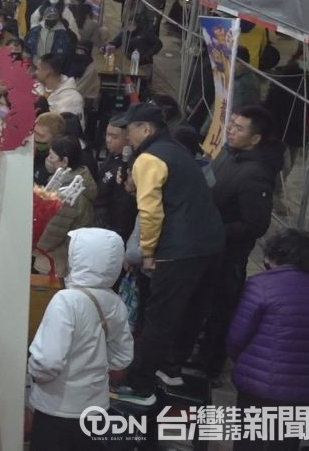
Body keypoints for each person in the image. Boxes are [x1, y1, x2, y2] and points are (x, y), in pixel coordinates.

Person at [110, 103, 224, 406]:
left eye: (129, 130)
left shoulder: (149, 158)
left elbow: (150, 212)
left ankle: (139, 385)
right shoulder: (176, 150)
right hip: (209, 245)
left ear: (146, 129)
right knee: (190, 313)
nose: (127, 136)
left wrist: (147, 251)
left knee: (159, 318)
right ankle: (170, 369)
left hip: (178, 248)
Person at [27, 227, 133, 451]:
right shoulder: (116, 303)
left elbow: (47, 362)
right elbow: (123, 358)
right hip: (96, 408)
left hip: (57, 409)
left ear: (80, 259)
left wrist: (34, 374)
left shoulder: (66, 301)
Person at [198, 105, 282, 383]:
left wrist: (215, 230)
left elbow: (255, 225)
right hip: (208, 245)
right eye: (231, 124)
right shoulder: (227, 154)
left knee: (221, 309)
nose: (230, 131)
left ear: (255, 138)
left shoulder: (256, 173)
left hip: (228, 255)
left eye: (238, 128)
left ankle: (211, 365)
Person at [227, 228, 309, 451]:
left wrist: (245, 363)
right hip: (303, 389)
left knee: (249, 441)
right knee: (286, 443)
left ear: (275, 255)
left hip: (257, 384)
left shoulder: (260, 285)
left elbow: (237, 337)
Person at [34, 136, 98, 278]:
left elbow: (52, 235)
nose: (48, 160)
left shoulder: (68, 195)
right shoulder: (79, 178)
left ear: (64, 161)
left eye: (52, 157)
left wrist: (33, 247)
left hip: (58, 260)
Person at [94, 119, 136, 242]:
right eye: (107, 134)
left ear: (127, 138)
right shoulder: (112, 155)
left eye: (114, 137)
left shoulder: (129, 165)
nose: (108, 140)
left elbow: (124, 204)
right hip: (101, 217)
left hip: (116, 226)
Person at [35, 54, 85, 126]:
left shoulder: (73, 99)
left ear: (47, 72)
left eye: (37, 69)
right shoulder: (36, 89)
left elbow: (74, 129)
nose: (35, 72)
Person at [34, 112, 66, 186]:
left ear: (56, 138)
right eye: (34, 132)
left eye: (40, 135)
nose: (35, 138)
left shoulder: (58, 162)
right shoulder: (33, 148)